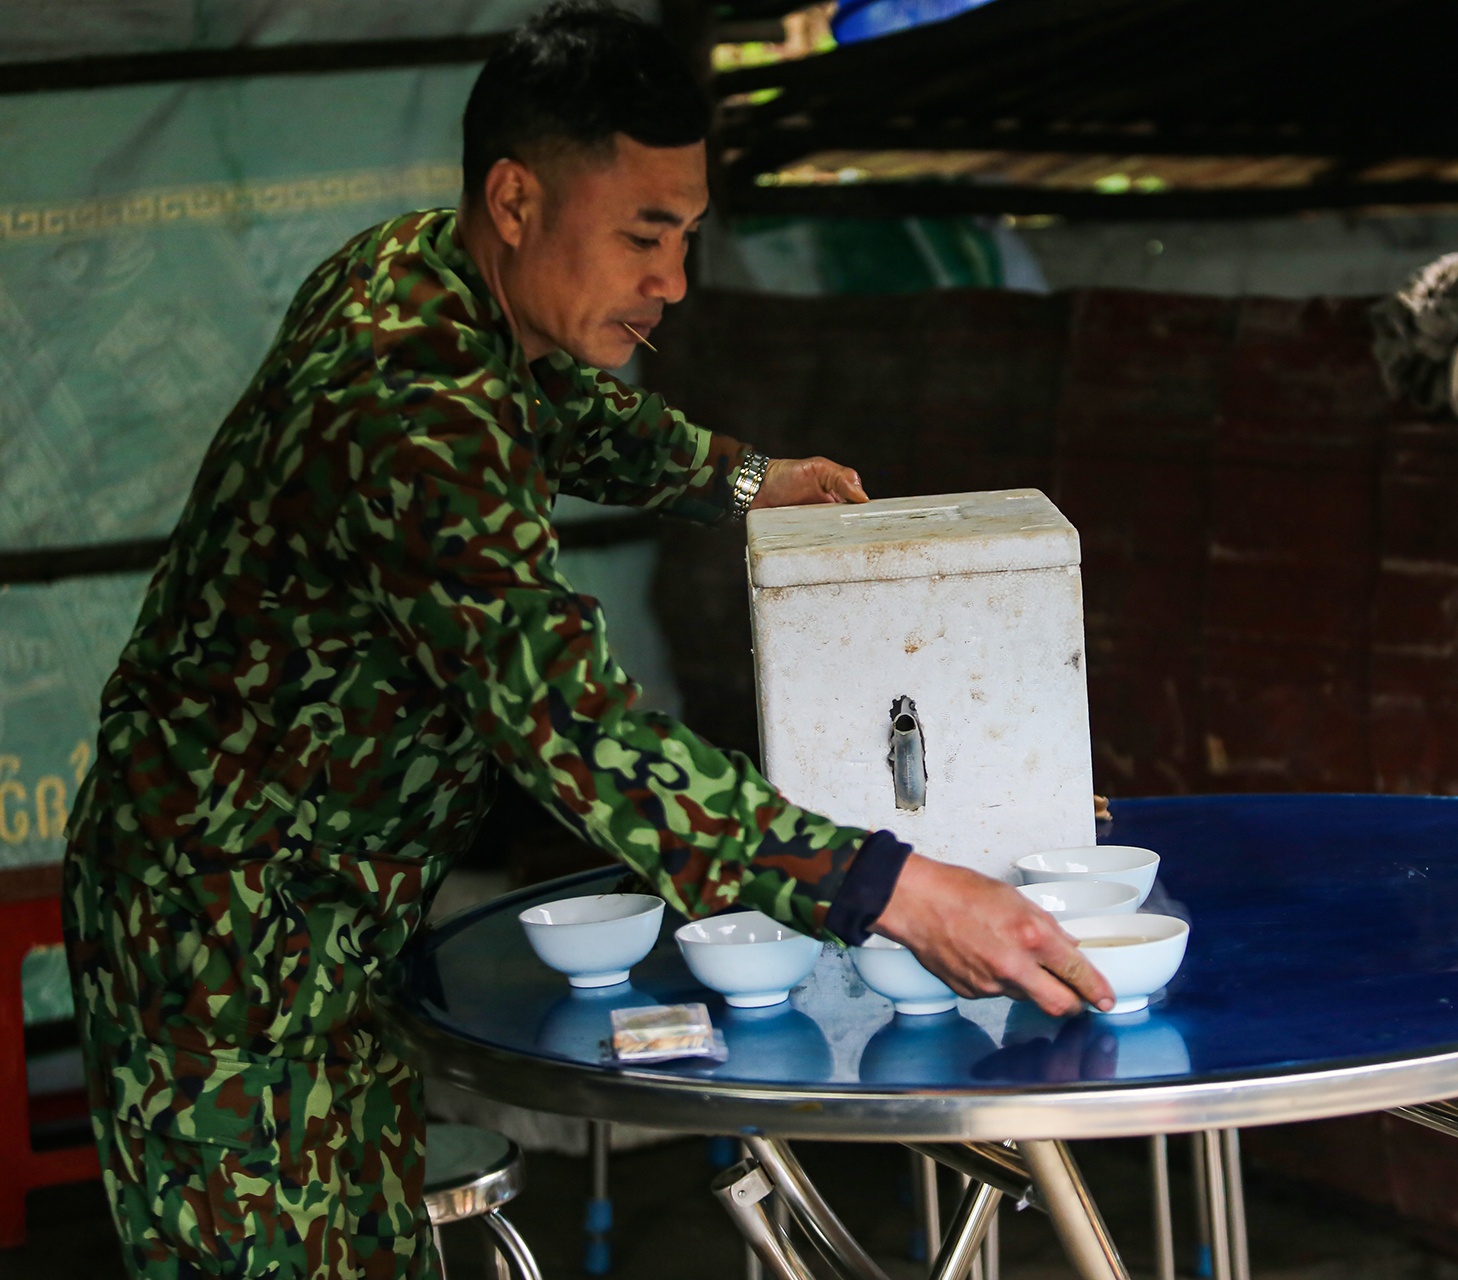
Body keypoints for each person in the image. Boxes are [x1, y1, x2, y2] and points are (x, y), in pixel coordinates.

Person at [60, 6, 1110, 1276]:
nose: (672, 280)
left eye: (687, 237)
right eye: (641, 235)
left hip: (326, 913)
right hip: (220, 931)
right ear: (516, 200)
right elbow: (577, 729)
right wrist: (897, 889)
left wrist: (746, 481)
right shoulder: (408, 398)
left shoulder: (429, 273)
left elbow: (566, 410)